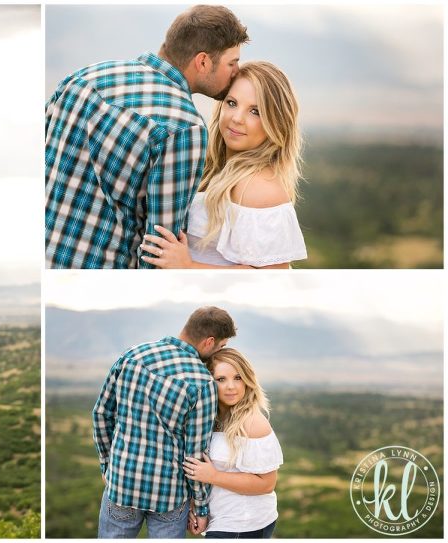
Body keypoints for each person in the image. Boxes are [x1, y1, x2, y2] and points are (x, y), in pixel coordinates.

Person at [45, 5, 249, 269]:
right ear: (202, 62)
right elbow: (159, 253)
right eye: (232, 62)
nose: (236, 71)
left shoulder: (83, 79)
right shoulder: (184, 127)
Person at [140, 61, 307, 269]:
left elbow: (273, 276)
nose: (236, 118)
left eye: (255, 111)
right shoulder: (208, 167)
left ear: (276, 122)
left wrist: (188, 266)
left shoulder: (260, 188)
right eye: (232, 103)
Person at [93, 307, 237, 538]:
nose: (218, 351)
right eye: (220, 346)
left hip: (121, 485)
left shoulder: (133, 356)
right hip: (169, 496)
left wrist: (107, 465)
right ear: (209, 342)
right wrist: (200, 508)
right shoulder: (202, 382)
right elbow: (195, 455)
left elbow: (102, 414)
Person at [183, 348, 283, 538]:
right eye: (221, 379)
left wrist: (213, 476)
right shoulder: (208, 420)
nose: (231, 386)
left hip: (244, 523)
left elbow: (266, 484)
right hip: (219, 519)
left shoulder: (253, 423)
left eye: (237, 377)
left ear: (247, 379)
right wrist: (195, 506)